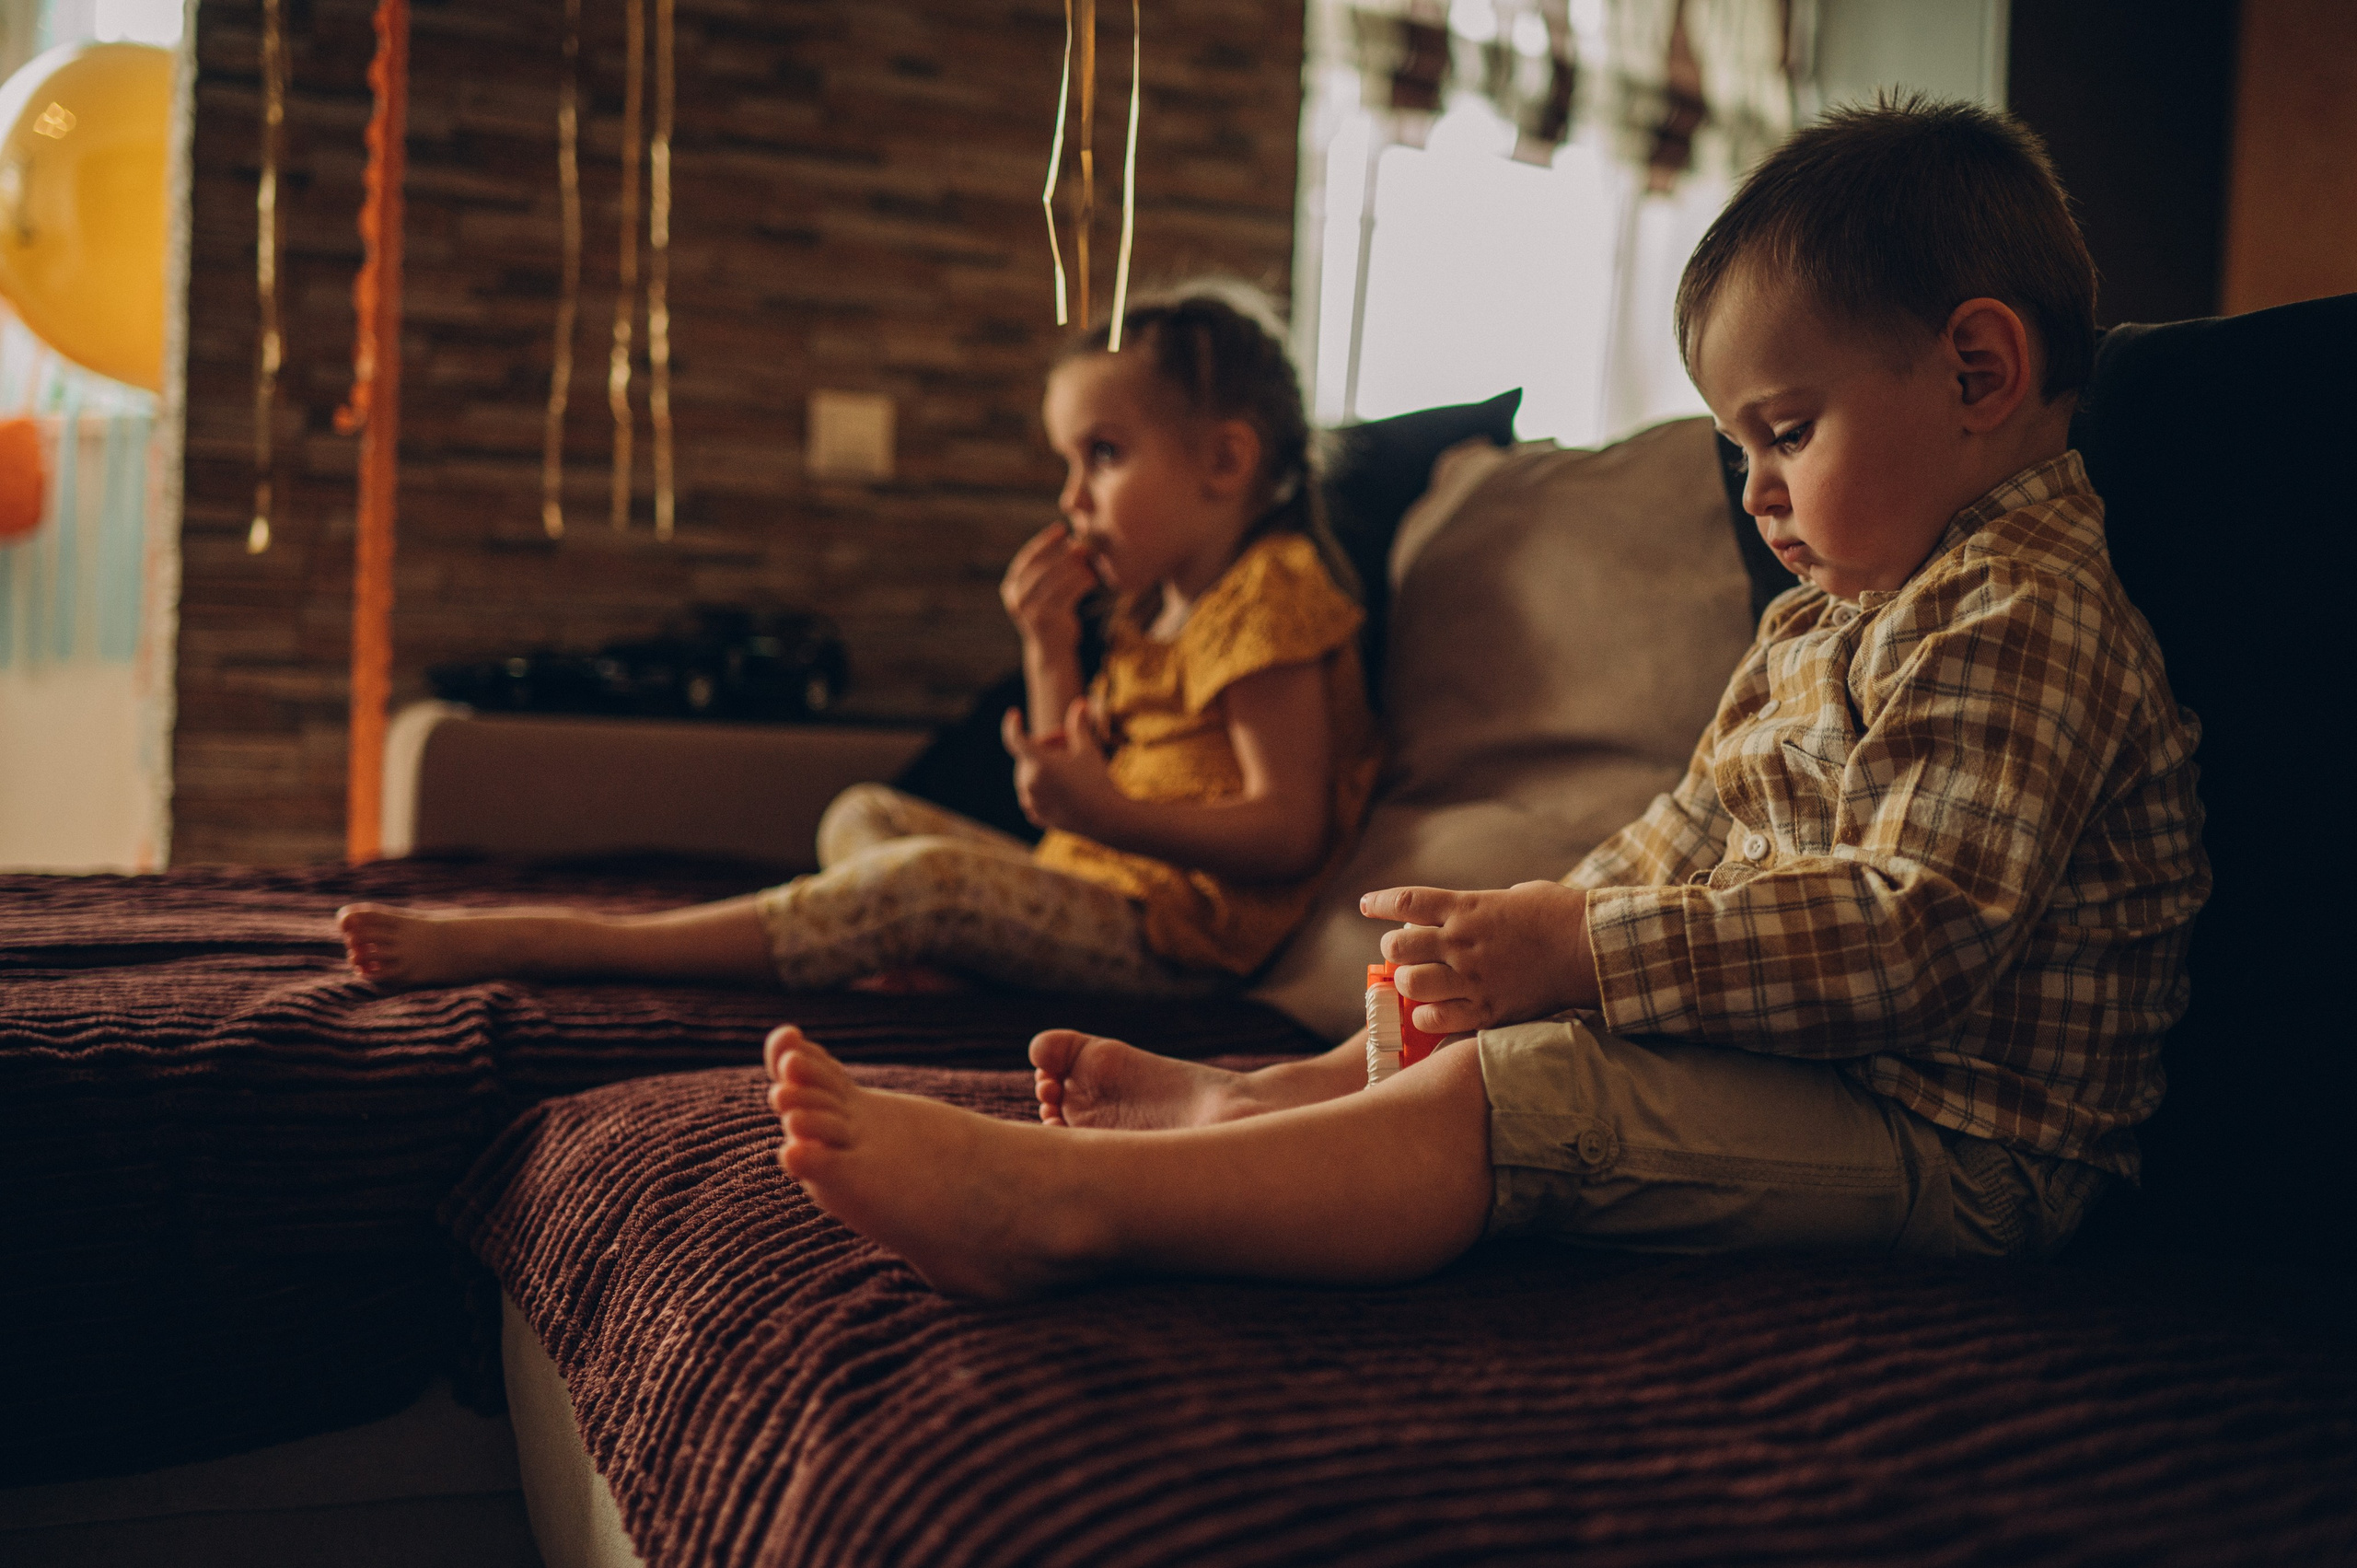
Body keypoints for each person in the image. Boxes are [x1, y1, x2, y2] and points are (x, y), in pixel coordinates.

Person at [759, 96, 2210, 1300]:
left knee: (1528, 1094)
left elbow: (1914, 935)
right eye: (1740, 450)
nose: (1758, 493)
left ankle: (1068, 1207)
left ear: (1977, 370)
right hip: (1833, 1070)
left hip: (1962, 1141)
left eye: (1786, 432)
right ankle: (1267, 1097)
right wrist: (1535, 923)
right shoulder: (1825, 618)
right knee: (1490, 1010)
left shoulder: (2023, 612)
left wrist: (1583, 950)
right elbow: (1684, 831)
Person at [337, 286, 1378, 995]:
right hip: (1104, 885)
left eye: (1102, 455)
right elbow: (1073, 769)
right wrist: (1048, 643)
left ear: (1225, 461)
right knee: (864, 813)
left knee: (922, 879)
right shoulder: (1156, 611)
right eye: (1068, 464)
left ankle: (579, 946)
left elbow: (1289, 831)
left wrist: (1112, 813)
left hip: (1180, 945)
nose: (1072, 498)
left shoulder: (1271, 594)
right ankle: (924, 956)